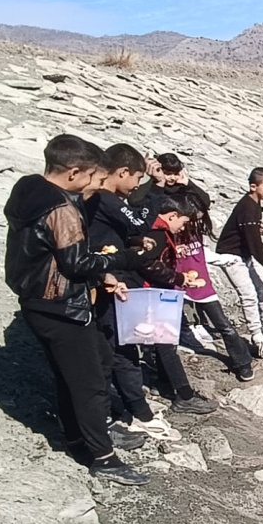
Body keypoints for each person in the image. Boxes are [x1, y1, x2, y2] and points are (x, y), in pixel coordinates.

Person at [3, 134, 152, 486]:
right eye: (91, 177)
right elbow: (75, 263)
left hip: (38, 300)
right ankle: (102, 456)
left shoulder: (29, 189)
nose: (94, 185)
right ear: (73, 173)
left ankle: (82, 435)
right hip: (61, 304)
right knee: (87, 382)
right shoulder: (62, 209)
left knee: (90, 364)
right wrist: (124, 259)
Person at [85, 144, 180, 440]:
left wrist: (136, 238)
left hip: (113, 273)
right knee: (122, 347)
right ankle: (139, 414)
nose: (136, 186)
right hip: (111, 278)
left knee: (123, 346)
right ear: (123, 172)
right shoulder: (105, 197)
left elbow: (126, 227)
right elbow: (137, 219)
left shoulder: (106, 199)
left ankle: (133, 406)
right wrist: (156, 189)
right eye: (136, 179)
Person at [136, 194, 221, 415]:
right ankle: (184, 396)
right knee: (167, 345)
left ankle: (164, 384)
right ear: (173, 216)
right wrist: (179, 278)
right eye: (183, 223)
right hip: (155, 293)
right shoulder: (159, 235)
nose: (183, 228)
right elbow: (148, 264)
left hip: (153, 292)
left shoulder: (153, 228)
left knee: (161, 345)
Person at [173, 183, 256, 381]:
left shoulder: (194, 229)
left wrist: (224, 259)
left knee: (223, 324)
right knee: (174, 321)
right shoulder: (173, 228)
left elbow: (202, 252)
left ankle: (242, 362)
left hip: (200, 281)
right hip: (175, 281)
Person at [215, 167, 263, 358]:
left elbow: (251, 235)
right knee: (249, 296)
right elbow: (254, 243)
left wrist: (257, 230)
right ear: (253, 186)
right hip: (232, 256)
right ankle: (258, 339)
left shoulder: (255, 204)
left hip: (245, 254)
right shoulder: (247, 208)